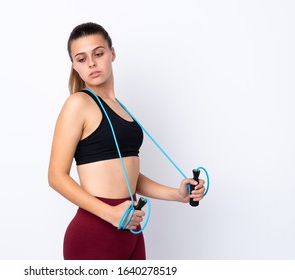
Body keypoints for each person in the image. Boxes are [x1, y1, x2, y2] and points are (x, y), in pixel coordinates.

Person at [48, 22, 205, 260]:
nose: (91, 62)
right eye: (81, 59)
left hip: (131, 228)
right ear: (75, 66)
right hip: (96, 231)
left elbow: (126, 175)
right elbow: (56, 176)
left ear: (112, 53)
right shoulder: (78, 104)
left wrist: (178, 194)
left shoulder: (121, 109)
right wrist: (111, 214)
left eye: (98, 54)